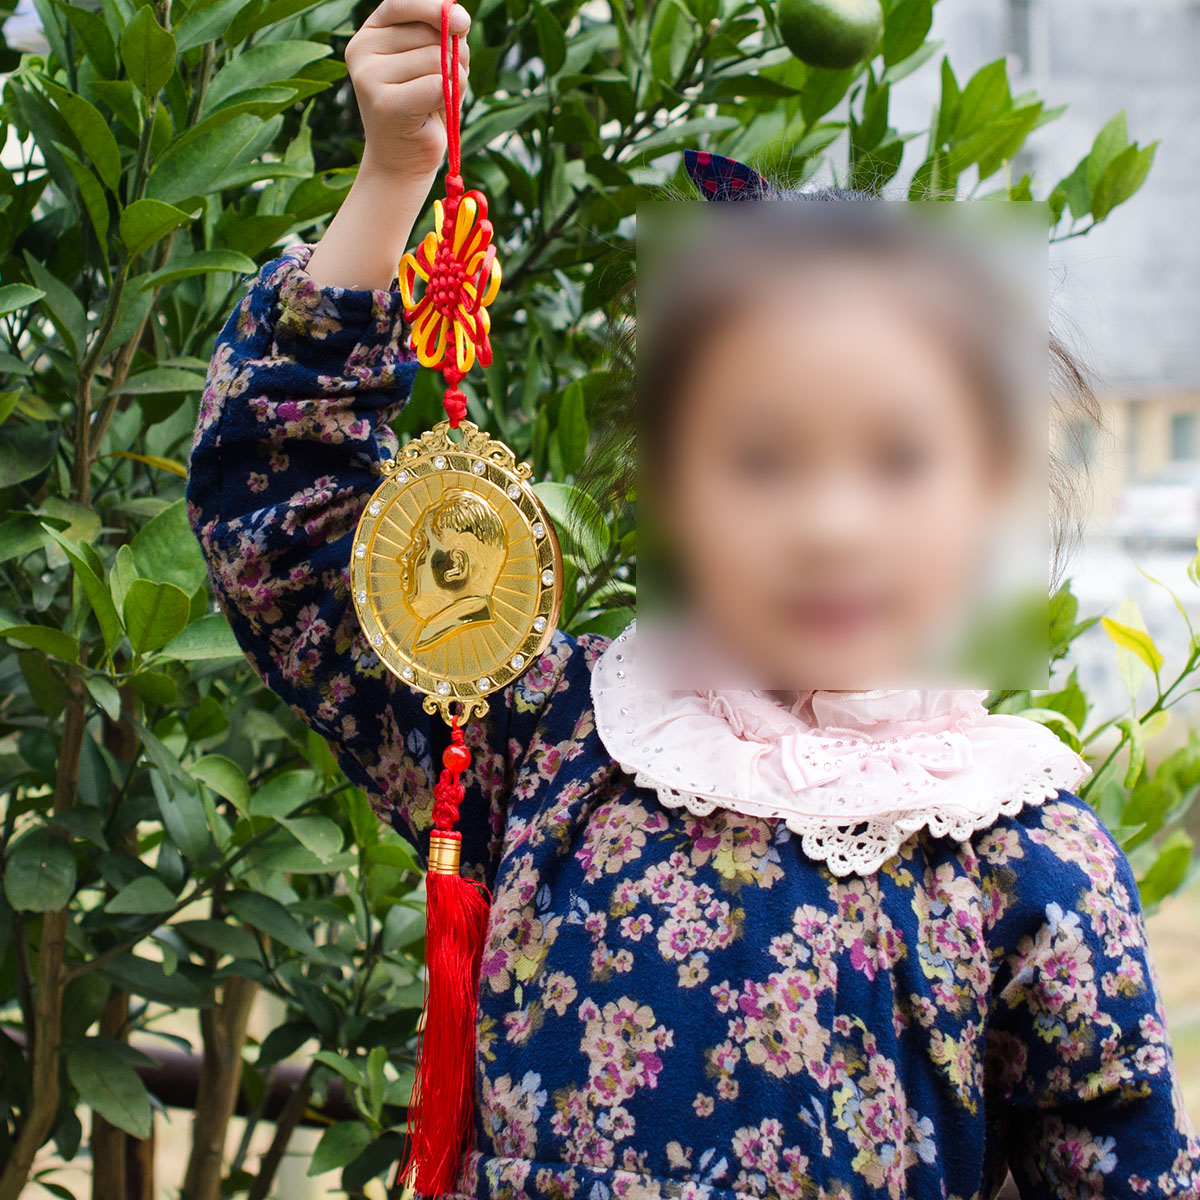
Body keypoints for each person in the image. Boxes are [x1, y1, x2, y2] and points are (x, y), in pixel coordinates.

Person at [184, 0, 1200, 1194]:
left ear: (990, 487)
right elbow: (284, 524)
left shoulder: (1026, 861)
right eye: (762, 460)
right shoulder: (549, 739)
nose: (831, 526)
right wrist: (393, 181)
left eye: (899, 461)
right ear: (666, 490)